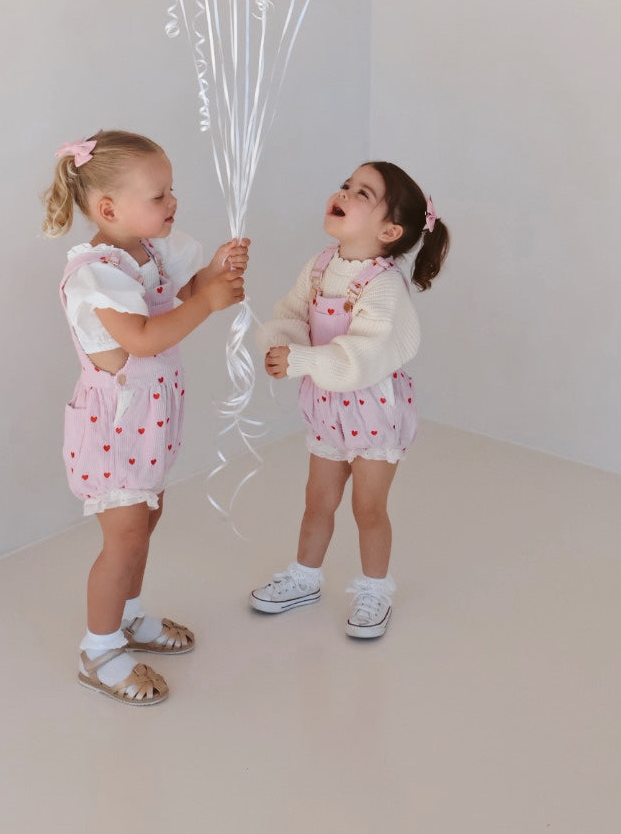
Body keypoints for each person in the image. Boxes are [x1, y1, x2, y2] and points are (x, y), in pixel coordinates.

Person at [43, 128, 248, 704]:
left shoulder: (149, 250)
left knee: (145, 525)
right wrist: (207, 303)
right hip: (114, 428)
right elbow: (143, 338)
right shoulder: (96, 273)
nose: (173, 202)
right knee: (124, 539)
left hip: (148, 422)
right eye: (159, 196)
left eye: (170, 190)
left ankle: (128, 615)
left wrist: (214, 274)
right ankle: (99, 648)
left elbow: (181, 293)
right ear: (110, 209)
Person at [251, 162, 447, 639]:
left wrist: (303, 360)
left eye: (363, 193)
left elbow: (366, 352)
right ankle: (305, 577)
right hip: (328, 406)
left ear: (389, 231)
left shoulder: (383, 284)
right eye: (346, 185)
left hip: (372, 408)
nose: (343, 193)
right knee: (317, 499)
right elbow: (292, 313)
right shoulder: (321, 264)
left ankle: (375, 589)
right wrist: (281, 345)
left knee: (367, 507)